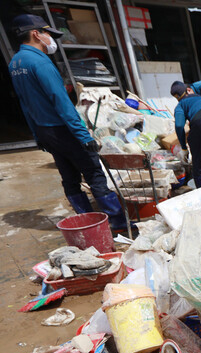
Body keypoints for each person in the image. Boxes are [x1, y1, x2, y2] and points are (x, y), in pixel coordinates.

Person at [8, 15, 126, 230]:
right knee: (94, 174)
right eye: (48, 34)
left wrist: (36, 134)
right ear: (36, 34)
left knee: (69, 177)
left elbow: (25, 104)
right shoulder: (40, 62)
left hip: (45, 131)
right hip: (63, 130)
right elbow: (61, 102)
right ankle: (118, 224)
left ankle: (86, 223)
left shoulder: (15, 63)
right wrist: (83, 135)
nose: (51, 39)